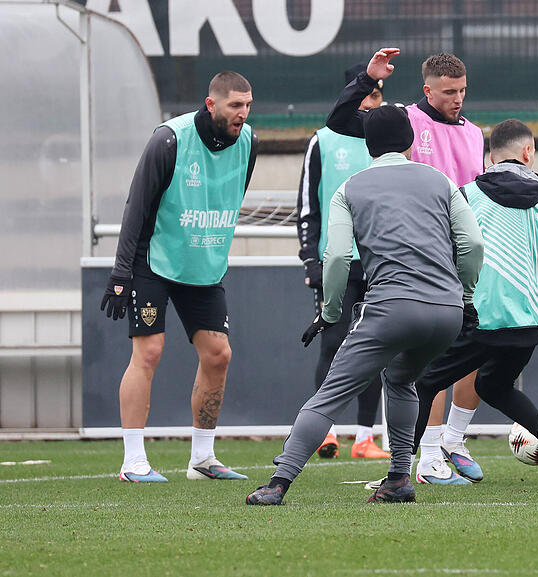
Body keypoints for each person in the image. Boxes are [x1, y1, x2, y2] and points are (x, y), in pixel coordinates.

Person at [246, 104, 484, 505]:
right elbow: (473, 245)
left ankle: (278, 482)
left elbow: (337, 258)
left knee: (329, 395)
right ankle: (398, 478)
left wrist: (330, 313)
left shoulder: (350, 188)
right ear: (409, 141)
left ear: (368, 146)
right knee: (402, 378)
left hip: (391, 308)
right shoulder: (441, 181)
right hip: (446, 313)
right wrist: (464, 297)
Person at [326, 47, 487, 484]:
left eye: (463, 91)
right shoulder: (405, 120)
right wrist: (367, 79)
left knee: (472, 352)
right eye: (449, 91)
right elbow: (340, 121)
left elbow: (477, 193)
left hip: (464, 254)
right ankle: (427, 454)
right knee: (425, 362)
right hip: (418, 257)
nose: (458, 99)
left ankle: (450, 441)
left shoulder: (475, 133)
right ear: (427, 90)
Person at [412, 119, 538, 489]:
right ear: (529, 153)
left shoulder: (464, 194)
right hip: (526, 329)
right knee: (495, 385)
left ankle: (419, 464)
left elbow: (439, 251)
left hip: (475, 321)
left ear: (489, 158)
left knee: (420, 380)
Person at [100, 72, 257, 482]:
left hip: (202, 267)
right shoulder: (169, 140)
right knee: (148, 352)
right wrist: (120, 275)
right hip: (155, 262)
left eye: (247, 105)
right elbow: (136, 207)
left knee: (218, 355)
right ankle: (133, 462)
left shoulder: (250, 143)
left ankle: (202, 460)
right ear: (211, 105)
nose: (242, 113)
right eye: (234, 106)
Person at [296, 63, 390, 460]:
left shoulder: (385, 137)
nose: (373, 99)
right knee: (332, 344)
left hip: (380, 260)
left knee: (376, 347)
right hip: (337, 260)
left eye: (378, 93)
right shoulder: (323, 139)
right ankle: (326, 430)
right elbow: (307, 204)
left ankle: (365, 437)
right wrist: (309, 258)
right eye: (367, 92)